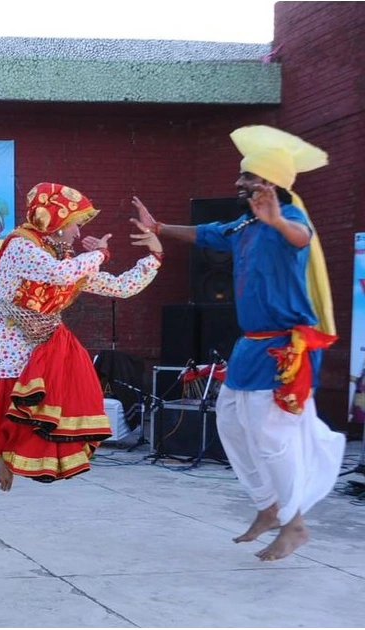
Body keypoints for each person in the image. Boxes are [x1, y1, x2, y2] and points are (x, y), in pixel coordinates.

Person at [136, 125, 344, 562]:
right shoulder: (245, 223)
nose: (238, 183)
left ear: (268, 182)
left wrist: (278, 221)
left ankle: (295, 524)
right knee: (229, 421)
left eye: (246, 177)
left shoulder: (289, 219)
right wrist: (160, 227)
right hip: (251, 345)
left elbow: (301, 239)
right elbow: (207, 234)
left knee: (270, 436)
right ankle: (268, 506)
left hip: (283, 347)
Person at [0, 182, 162, 492]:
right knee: (7, 409)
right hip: (3, 344)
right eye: (75, 225)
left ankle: (19, 458)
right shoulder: (21, 245)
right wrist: (99, 254)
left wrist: (155, 256)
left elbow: (120, 287)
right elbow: (57, 274)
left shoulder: (64, 256)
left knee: (58, 394)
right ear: (54, 221)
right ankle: (2, 457)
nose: (78, 234)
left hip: (37, 344)